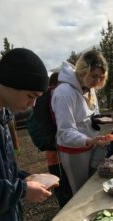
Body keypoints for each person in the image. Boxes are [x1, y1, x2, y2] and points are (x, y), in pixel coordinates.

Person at [0, 48, 51, 221]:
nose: (33, 104)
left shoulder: (2, 114)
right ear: (10, 83)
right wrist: (23, 190)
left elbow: (3, 169)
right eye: (31, 95)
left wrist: (25, 177)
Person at [51, 50, 110, 194]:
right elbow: (65, 131)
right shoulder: (65, 92)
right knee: (81, 191)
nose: (97, 81)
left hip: (91, 144)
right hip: (73, 151)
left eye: (101, 77)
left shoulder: (89, 88)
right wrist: (89, 140)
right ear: (83, 71)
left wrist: (96, 122)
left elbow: (91, 114)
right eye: (94, 76)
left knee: (95, 182)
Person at [44, 72, 72, 208]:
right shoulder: (54, 95)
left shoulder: (46, 96)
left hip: (52, 149)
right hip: (57, 148)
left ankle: (64, 205)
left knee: (59, 181)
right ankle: (65, 208)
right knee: (61, 181)